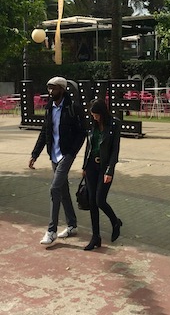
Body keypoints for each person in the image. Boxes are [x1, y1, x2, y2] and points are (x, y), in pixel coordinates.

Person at [28, 76, 86, 245]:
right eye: (49, 88)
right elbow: (44, 132)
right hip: (53, 154)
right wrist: (35, 154)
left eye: (53, 88)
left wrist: (72, 152)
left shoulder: (73, 108)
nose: (50, 91)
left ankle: (51, 230)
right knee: (63, 190)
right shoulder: (49, 108)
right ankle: (72, 225)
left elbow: (82, 132)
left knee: (54, 189)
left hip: (66, 154)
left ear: (62, 89)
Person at [81, 99, 122, 251]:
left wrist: (109, 170)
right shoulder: (92, 125)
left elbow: (115, 150)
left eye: (96, 115)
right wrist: (84, 166)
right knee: (92, 202)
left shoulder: (114, 124)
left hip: (104, 167)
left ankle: (115, 221)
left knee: (100, 200)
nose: (94, 118)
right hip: (91, 166)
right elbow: (89, 145)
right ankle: (95, 236)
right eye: (92, 115)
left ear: (102, 113)